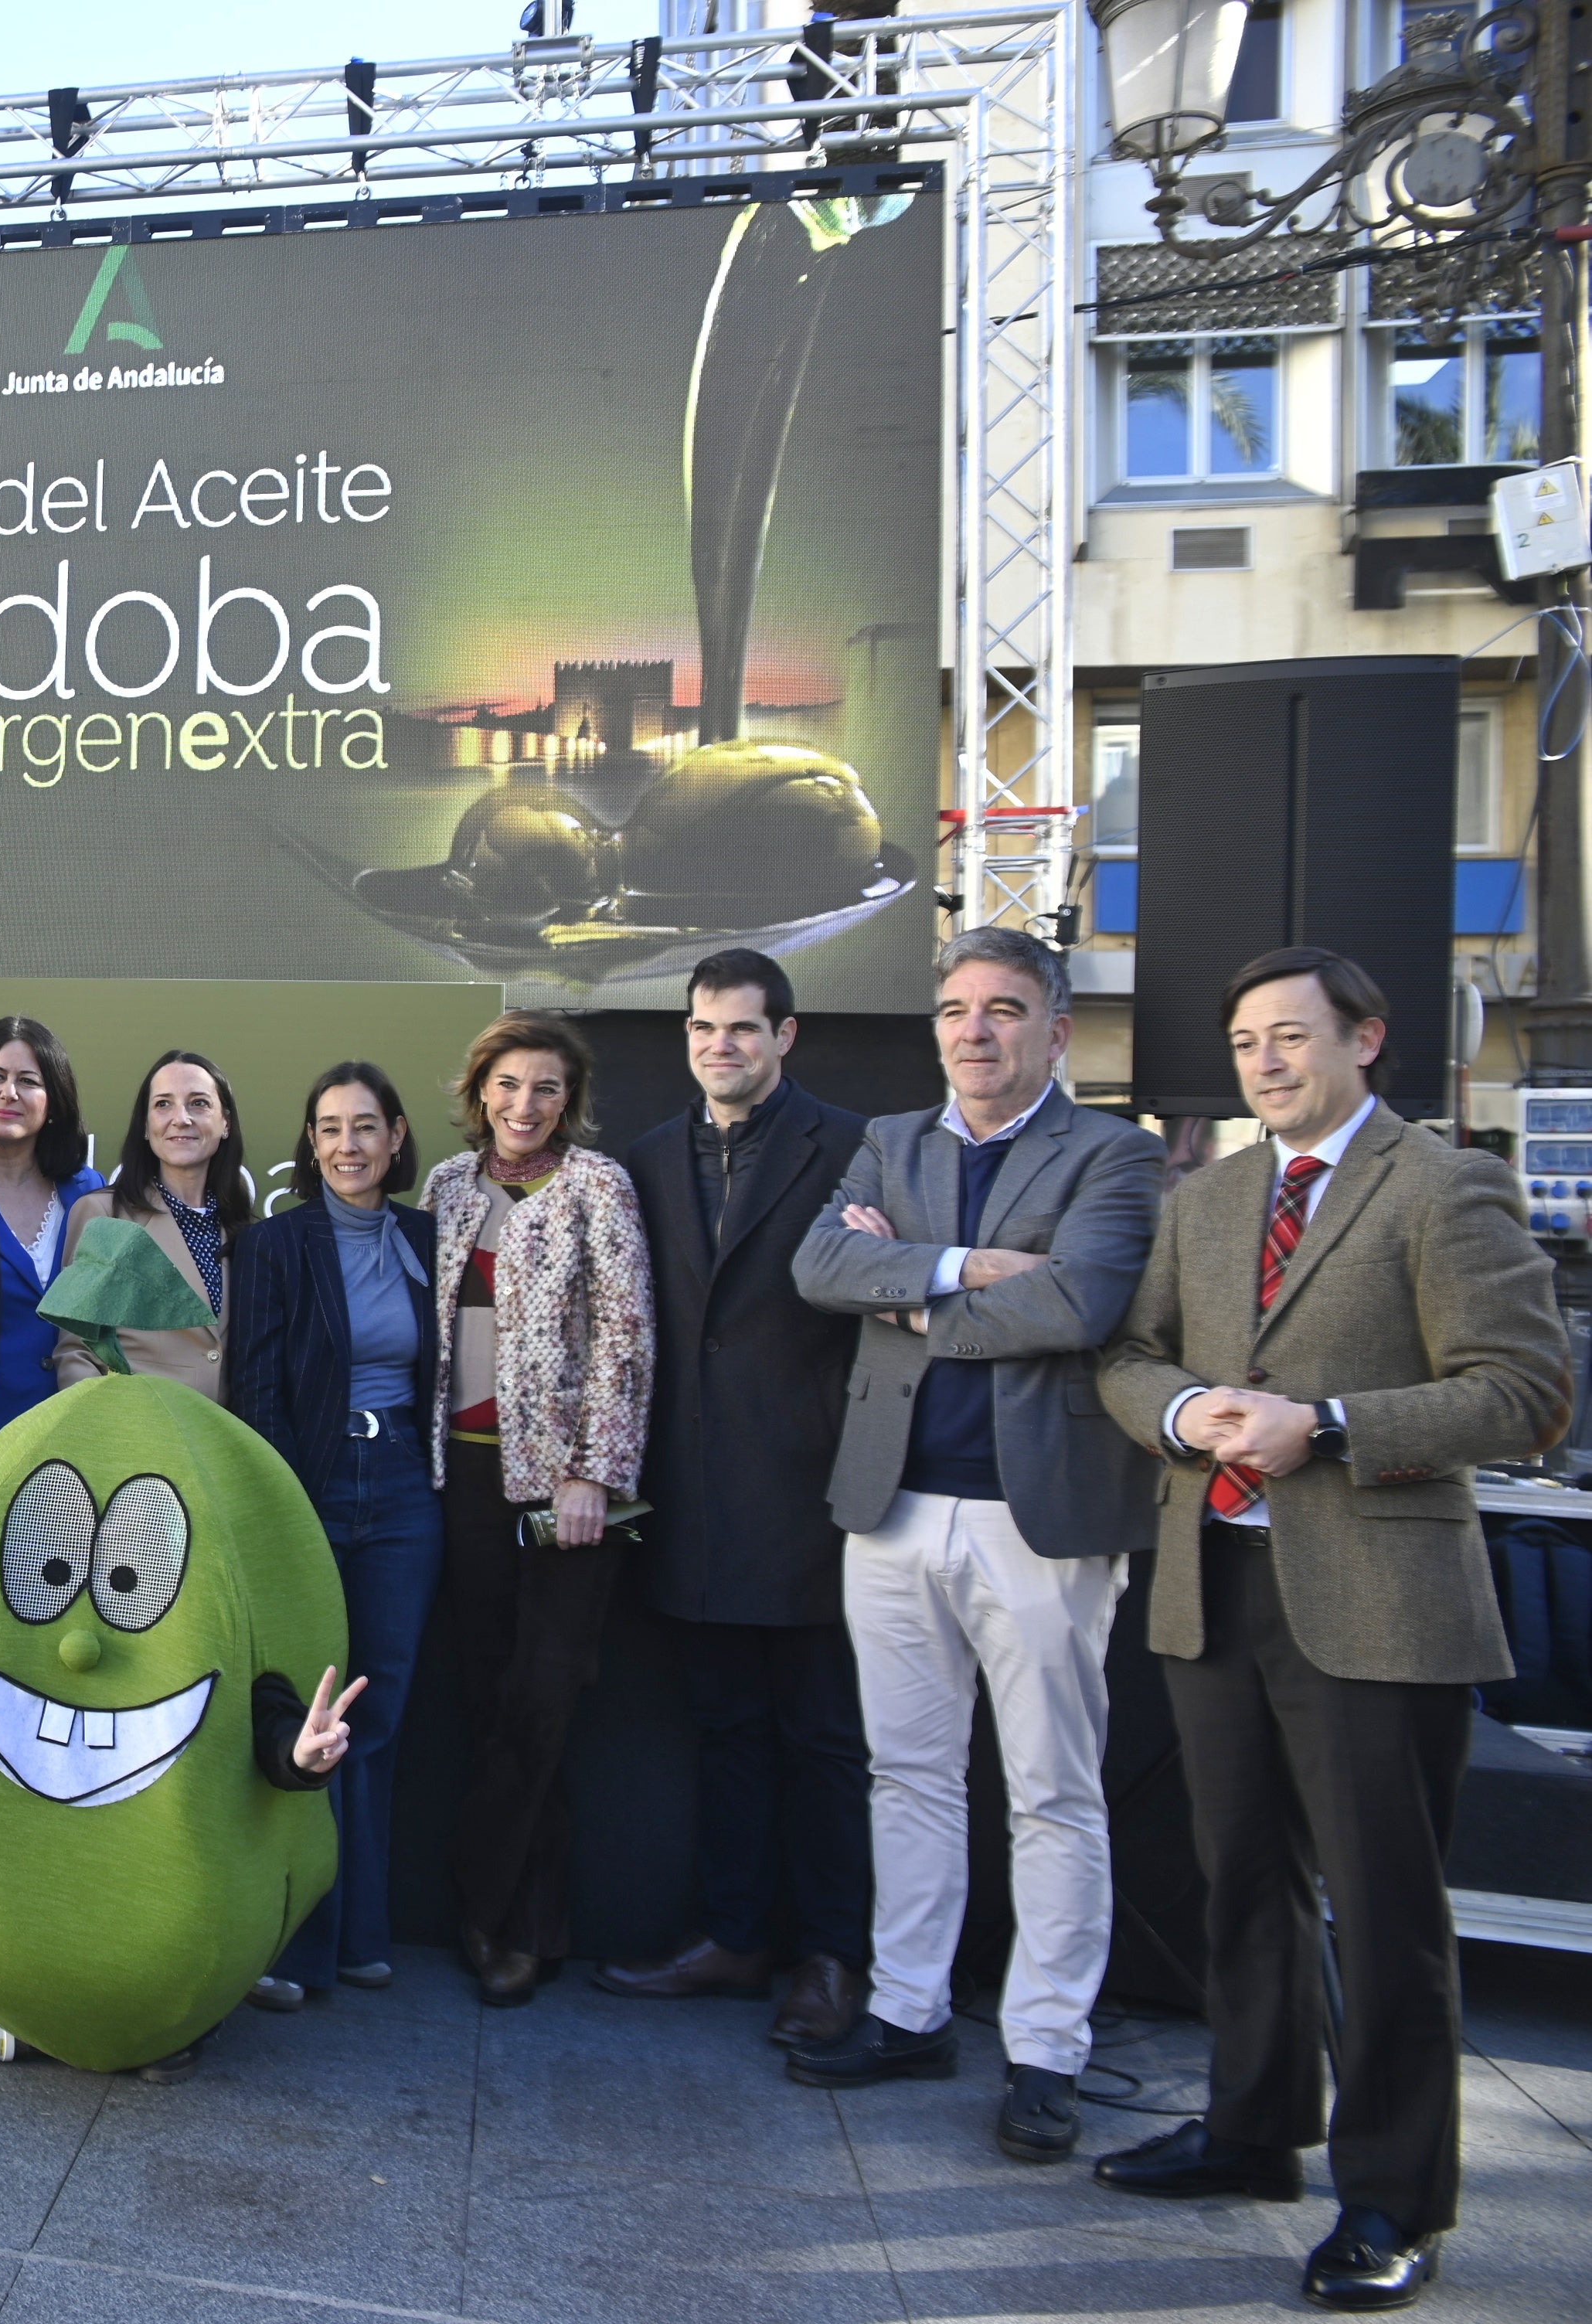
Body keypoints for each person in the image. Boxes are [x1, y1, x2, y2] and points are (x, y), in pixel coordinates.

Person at [1095, 948, 1566, 2311]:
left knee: (1383, 1908)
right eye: (1245, 1041)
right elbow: (1128, 1357)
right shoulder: (1212, 1196)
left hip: (1374, 1601)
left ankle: (1392, 2198)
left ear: (1366, 1039)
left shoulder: (1443, 1184)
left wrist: (1336, 1428)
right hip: (1215, 1583)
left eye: (1290, 1036)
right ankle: (1249, 2131)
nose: (1263, 1062)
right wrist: (1184, 1415)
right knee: (1237, 1880)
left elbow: (1525, 1393)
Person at [787, 925, 1162, 2165]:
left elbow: (1077, 1302)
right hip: (889, 1503)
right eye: (954, 1007)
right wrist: (957, 1266)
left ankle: (1046, 2049)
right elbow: (818, 1263)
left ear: (1054, 1028)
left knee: (1051, 1788)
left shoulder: (1115, 1151)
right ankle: (907, 2010)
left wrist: (904, 1295)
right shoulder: (892, 1141)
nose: (974, 1029)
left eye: (1003, 1007)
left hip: (1037, 1513)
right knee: (906, 1772)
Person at [597, 950, 876, 2047]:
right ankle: (733, 1933)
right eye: (704, 1028)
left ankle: (830, 1955)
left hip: (811, 1495)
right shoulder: (649, 1158)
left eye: (742, 1029)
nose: (721, 1046)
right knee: (722, 1730)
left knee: (820, 1738)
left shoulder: (855, 1148)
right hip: (694, 1497)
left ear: (785, 1036)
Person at [419, 1011, 652, 2006]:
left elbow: (625, 1336)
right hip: (460, 1478)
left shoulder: (598, 1186)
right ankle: (532, 1925)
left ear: (570, 1100)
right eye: (508, 1085)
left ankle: (483, 1906)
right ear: (479, 1092)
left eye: (546, 1088)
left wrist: (595, 1472)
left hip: (561, 1485)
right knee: (485, 1697)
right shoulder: (443, 1187)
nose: (524, 1105)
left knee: (543, 1699)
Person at [225, 1061, 437, 2007]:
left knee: (379, 1714)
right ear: (309, 1146)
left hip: (401, 1487)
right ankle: (296, 1944)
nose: (346, 1145)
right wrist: (277, 1508)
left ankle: (361, 1934)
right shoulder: (274, 1245)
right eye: (327, 1128)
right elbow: (258, 1390)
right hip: (310, 1485)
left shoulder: (430, 1236)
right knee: (314, 1712)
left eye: (364, 1126)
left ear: (397, 1137)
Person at [0, 1016, 104, 1443]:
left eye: (29, 1081)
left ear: (54, 1101)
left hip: (69, 1439)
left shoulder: (89, 1192)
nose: (9, 1093)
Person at [53, 1051, 243, 1400]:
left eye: (199, 1103)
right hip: (136, 1437)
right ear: (145, 1124)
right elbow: (76, 1350)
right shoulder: (104, 1214)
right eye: (163, 1105)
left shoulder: (246, 1230)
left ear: (225, 1122)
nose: (181, 1119)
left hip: (221, 1442)